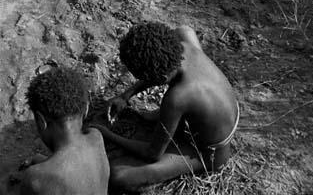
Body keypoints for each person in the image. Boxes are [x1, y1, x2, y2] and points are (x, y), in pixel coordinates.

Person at [93, 21, 239, 192]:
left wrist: (108, 134)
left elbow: (152, 153)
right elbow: (162, 71)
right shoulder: (185, 45)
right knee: (184, 30)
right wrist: (125, 96)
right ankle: (173, 125)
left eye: (144, 77)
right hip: (220, 112)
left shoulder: (177, 98)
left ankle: (159, 176)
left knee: (118, 174)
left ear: (161, 78)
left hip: (210, 154)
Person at [20, 66, 109, 195]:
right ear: (87, 109)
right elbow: (74, 170)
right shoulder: (96, 138)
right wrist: (40, 161)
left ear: (41, 121)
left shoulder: (34, 179)